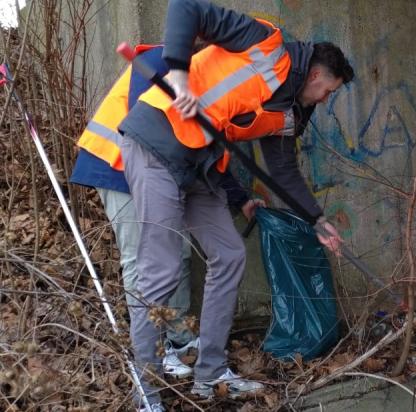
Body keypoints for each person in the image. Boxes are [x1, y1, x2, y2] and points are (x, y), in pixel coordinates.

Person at [117, 0, 353, 408]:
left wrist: (317, 220)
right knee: (162, 271)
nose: (324, 100)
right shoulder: (264, 42)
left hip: (201, 167)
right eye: (327, 92)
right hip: (157, 144)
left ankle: (209, 374)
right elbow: (185, 7)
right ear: (315, 75)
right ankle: (146, 390)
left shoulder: (286, 112)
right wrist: (180, 77)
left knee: (229, 254)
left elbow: (283, 172)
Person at [70, 44, 264, 381]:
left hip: (157, 170)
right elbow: (150, 136)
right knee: (143, 260)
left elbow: (200, 147)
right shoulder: (159, 61)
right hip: (115, 163)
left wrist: (238, 198)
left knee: (178, 254)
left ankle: (177, 340)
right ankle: (151, 354)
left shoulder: (203, 80)